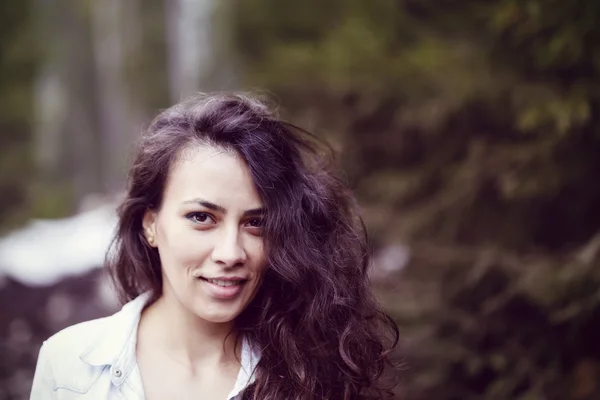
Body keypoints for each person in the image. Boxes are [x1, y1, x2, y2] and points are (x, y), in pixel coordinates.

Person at [30, 93, 399, 399]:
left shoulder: (313, 370)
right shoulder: (69, 368)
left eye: (256, 223)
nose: (231, 253)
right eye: (202, 218)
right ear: (151, 225)